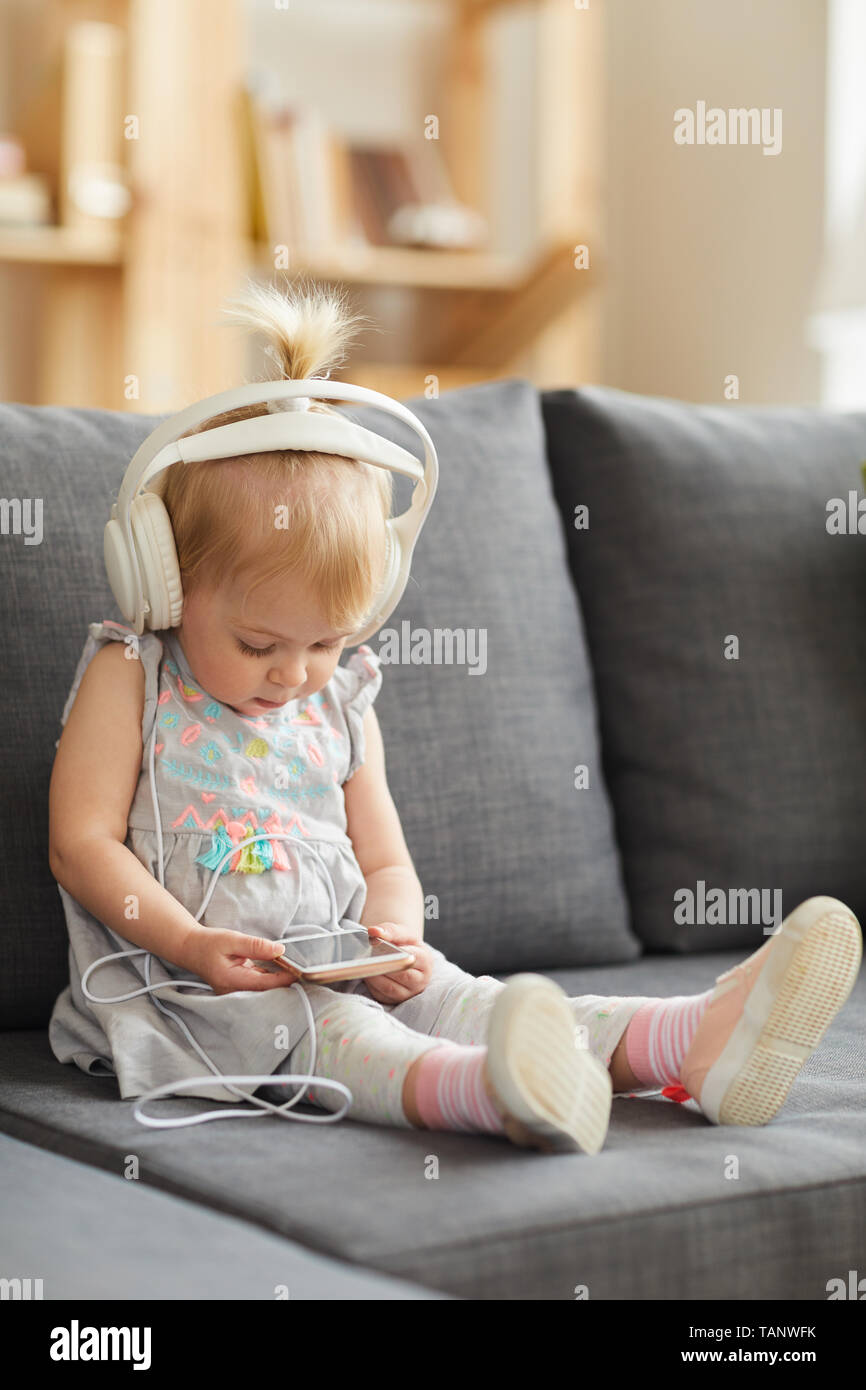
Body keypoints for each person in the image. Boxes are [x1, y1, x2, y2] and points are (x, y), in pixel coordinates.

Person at [47, 278, 863, 1154]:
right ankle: (493, 1091)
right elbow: (80, 844)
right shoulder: (134, 671)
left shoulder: (343, 698)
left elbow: (384, 854)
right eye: (256, 644)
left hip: (343, 957)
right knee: (346, 1040)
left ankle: (691, 1038)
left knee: (469, 997)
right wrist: (191, 940)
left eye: (326, 641)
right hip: (194, 992)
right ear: (164, 581)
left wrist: (397, 932)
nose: (293, 674)